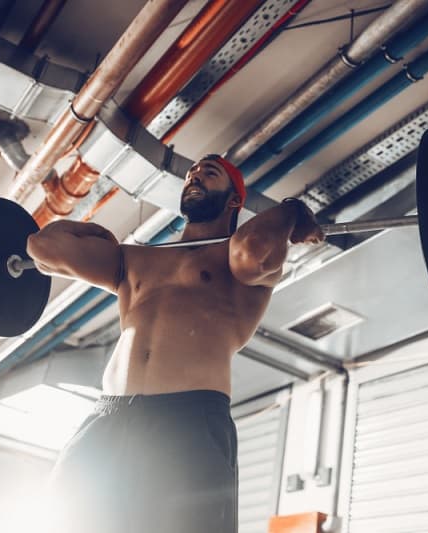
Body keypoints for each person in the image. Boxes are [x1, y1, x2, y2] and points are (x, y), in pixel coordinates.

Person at [26, 154, 324, 533]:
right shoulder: (135, 259)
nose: (195, 177)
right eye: (190, 174)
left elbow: (254, 248)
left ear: (236, 201)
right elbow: (43, 247)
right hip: (108, 418)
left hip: (188, 420)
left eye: (209, 173)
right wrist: (97, 234)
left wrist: (292, 211)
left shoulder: (237, 264)